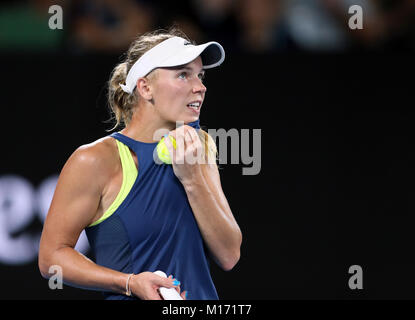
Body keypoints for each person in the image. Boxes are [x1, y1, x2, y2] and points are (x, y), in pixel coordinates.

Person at [38, 28, 242, 300]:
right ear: (145, 87)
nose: (200, 86)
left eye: (200, 75)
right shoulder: (95, 159)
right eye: (183, 74)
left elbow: (229, 254)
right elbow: (51, 258)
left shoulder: (198, 147)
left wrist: (193, 179)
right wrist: (129, 282)